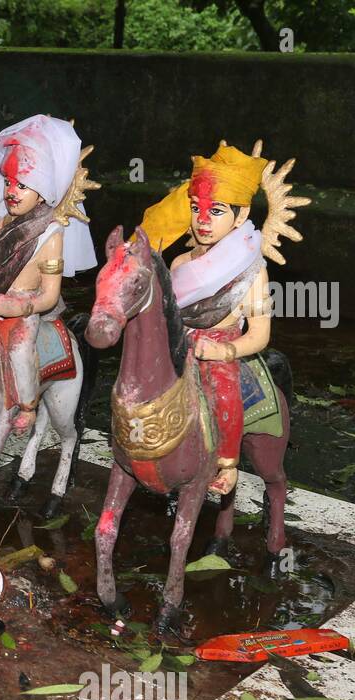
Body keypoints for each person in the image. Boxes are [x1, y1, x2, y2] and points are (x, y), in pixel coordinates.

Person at [137, 141, 306, 495]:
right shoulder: (180, 263)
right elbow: (169, 316)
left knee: (224, 391)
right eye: (196, 208)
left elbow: (259, 336)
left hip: (221, 354)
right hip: (181, 348)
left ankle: (228, 466)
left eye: (215, 211)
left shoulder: (252, 271)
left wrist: (222, 352)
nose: (202, 220)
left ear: (241, 216)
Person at [0, 114, 98, 433]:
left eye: (23, 185)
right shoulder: (1, 223)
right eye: (8, 182)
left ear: (44, 191)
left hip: (23, 312)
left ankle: (28, 407)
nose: (12, 191)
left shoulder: (51, 234)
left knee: (21, 348)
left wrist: (19, 306)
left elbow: (49, 296)